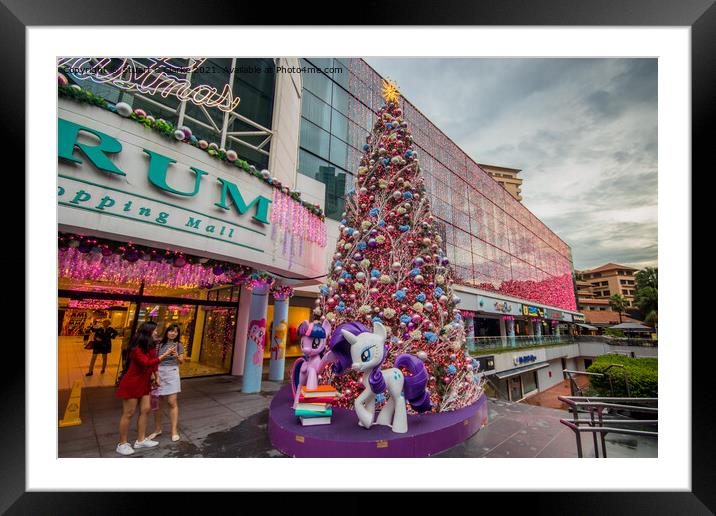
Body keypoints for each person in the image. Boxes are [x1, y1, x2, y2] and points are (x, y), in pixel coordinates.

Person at [115, 321, 177, 456]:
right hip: (132, 382)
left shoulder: (151, 346)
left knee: (146, 410)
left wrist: (156, 376)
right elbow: (146, 363)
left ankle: (140, 440)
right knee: (129, 413)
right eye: (154, 330)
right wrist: (165, 355)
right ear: (147, 331)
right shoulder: (136, 348)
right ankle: (122, 443)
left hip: (145, 382)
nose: (156, 332)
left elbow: (153, 364)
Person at [148, 324, 185, 442]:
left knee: (172, 401)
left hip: (172, 373)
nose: (173, 333)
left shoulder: (179, 345)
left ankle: (174, 430)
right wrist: (153, 375)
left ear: (178, 334)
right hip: (159, 373)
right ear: (166, 332)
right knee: (157, 403)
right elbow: (153, 360)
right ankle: (157, 429)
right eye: (171, 331)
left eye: (175, 332)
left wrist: (177, 355)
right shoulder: (158, 344)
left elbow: (182, 362)